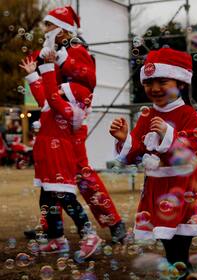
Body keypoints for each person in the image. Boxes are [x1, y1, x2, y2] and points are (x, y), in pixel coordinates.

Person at [23, 5, 126, 243]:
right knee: (51, 173)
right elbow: (40, 69)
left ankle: (114, 221)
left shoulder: (76, 49)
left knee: (82, 173)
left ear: (63, 29)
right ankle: (50, 226)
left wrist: (58, 58)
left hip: (71, 120)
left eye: (49, 25)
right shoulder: (53, 48)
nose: (45, 29)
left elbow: (87, 77)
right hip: (55, 117)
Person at [110, 47, 197, 276]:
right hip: (157, 187)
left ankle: (181, 269)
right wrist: (124, 139)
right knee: (167, 239)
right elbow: (136, 154)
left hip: (183, 185)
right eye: (148, 82)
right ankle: (177, 268)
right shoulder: (146, 115)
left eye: (162, 81)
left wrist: (169, 133)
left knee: (180, 238)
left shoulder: (187, 113)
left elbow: (196, 147)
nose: (154, 88)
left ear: (180, 83)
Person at [19, 52, 101, 257]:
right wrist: (32, 76)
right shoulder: (54, 105)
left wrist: (47, 68)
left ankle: (89, 235)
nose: (58, 93)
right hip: (47, 157)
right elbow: (44, 96)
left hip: (59, 157)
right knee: (46, 200)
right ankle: (57, 239)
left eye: (64, 92)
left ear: (75, 100)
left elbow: (52, 98)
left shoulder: (72, 112)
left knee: (64, 197)